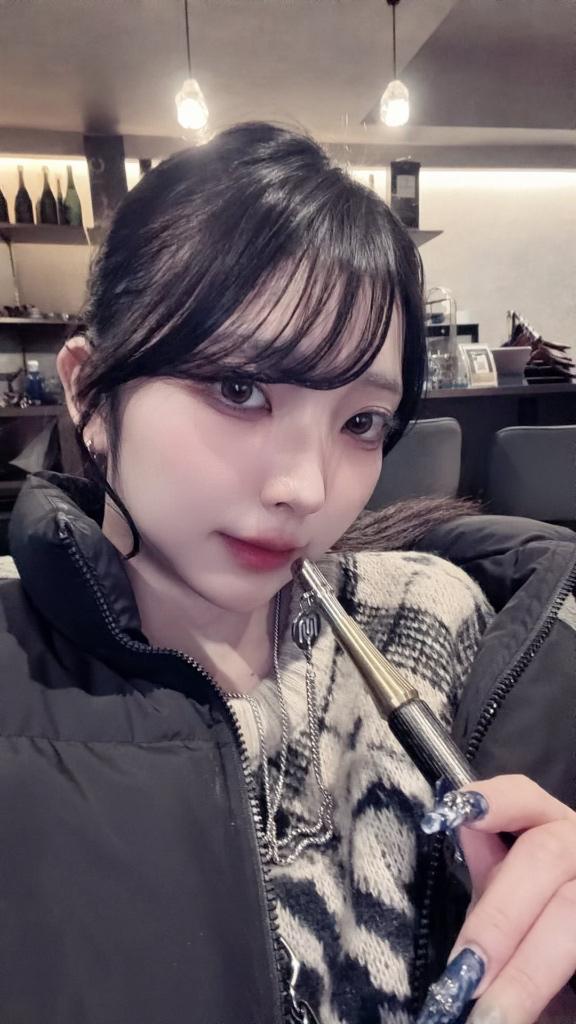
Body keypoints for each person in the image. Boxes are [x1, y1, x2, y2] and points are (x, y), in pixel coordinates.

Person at [0, 122, 575, 1024]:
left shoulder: (437, 628)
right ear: (88, 391)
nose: (305, 490)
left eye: (361, 423)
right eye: (240, 390)